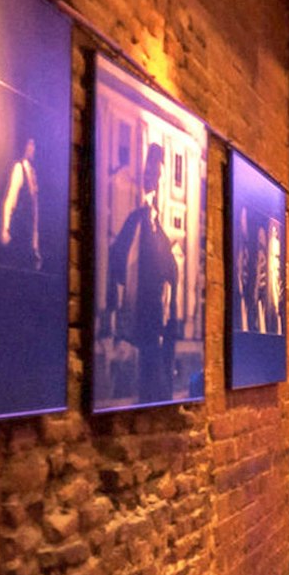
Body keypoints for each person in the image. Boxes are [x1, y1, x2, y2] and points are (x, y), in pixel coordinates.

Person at [106, 143, 180, 402]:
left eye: (158, 177)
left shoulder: (159, 225)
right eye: (151, 176)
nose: (155, 183)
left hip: (160, 318)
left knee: (156, 383)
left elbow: (170, 270)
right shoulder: (136, 219)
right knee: (145, 382)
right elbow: (118, 260)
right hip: (143, 316)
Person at [1, 138, 41, 269]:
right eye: (30, 144)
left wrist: (35, 244)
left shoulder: (33, 173)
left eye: (34, 145)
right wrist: (5, 228)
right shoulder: (19, 168)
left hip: (27, 235)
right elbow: (10, 200)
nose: (33, 148)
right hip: (18, 231)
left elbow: (35, 212)